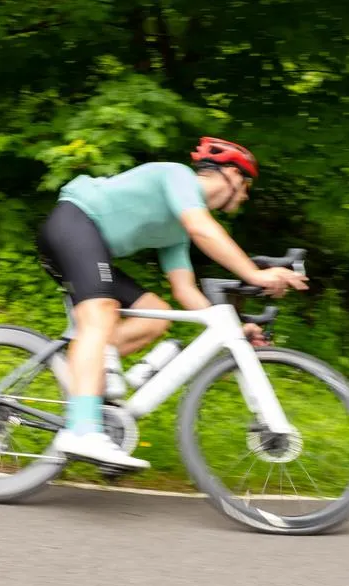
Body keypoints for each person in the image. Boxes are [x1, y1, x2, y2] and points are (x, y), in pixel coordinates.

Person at [36, 136, 309, 470]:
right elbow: (202, 229)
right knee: (101, 314)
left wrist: (236, 332)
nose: (246, 194)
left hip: (91, 247)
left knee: (158, 315)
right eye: (246, 184)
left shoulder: (177, 228)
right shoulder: (178, 177)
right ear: (231, 176)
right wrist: (256, 275)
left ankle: (80, 370)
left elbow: (185, 291)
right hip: (75, 222)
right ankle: (80, 430)